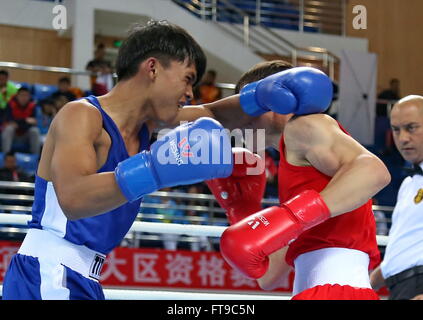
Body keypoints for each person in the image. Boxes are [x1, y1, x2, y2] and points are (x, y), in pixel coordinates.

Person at [1, 21, 329, 300]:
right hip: (48, 272)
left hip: (81, 277)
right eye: (187, 79)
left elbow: (214, 113)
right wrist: (155, 169)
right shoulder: (82, 116)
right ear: (153, 67)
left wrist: (258, 96)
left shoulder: (145, 126)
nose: (189, 93)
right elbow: (73, 198)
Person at [206, 60, 391, 300]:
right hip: (318, 291)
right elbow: (268, 276)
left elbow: (374, 171)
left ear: (275, 100)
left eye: (247, 105)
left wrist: (292, 216)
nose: (240, 120)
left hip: (335, 291)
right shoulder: (296, 165)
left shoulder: (303, 127)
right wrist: (243, 211)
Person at [370, 95, 423, 300]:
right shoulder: (409, 184)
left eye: (411, 128)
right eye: (396, 129)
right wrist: (364, 285)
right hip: (400, 288)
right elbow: (403, 248)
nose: (402, 138)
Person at [2, 87, 41, 155]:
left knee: (35, 131)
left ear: (29, 97)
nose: (24, 97)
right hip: (13, 135)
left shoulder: (32, 106)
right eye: (22, 95)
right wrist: (25, 120)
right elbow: (8, 120)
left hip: (26, 135)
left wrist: (18, 122)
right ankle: (6, 156)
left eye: (26, 95)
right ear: (17, 96)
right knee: (9, 129)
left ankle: (35, 158)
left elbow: (33, 122)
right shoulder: (10, 104)